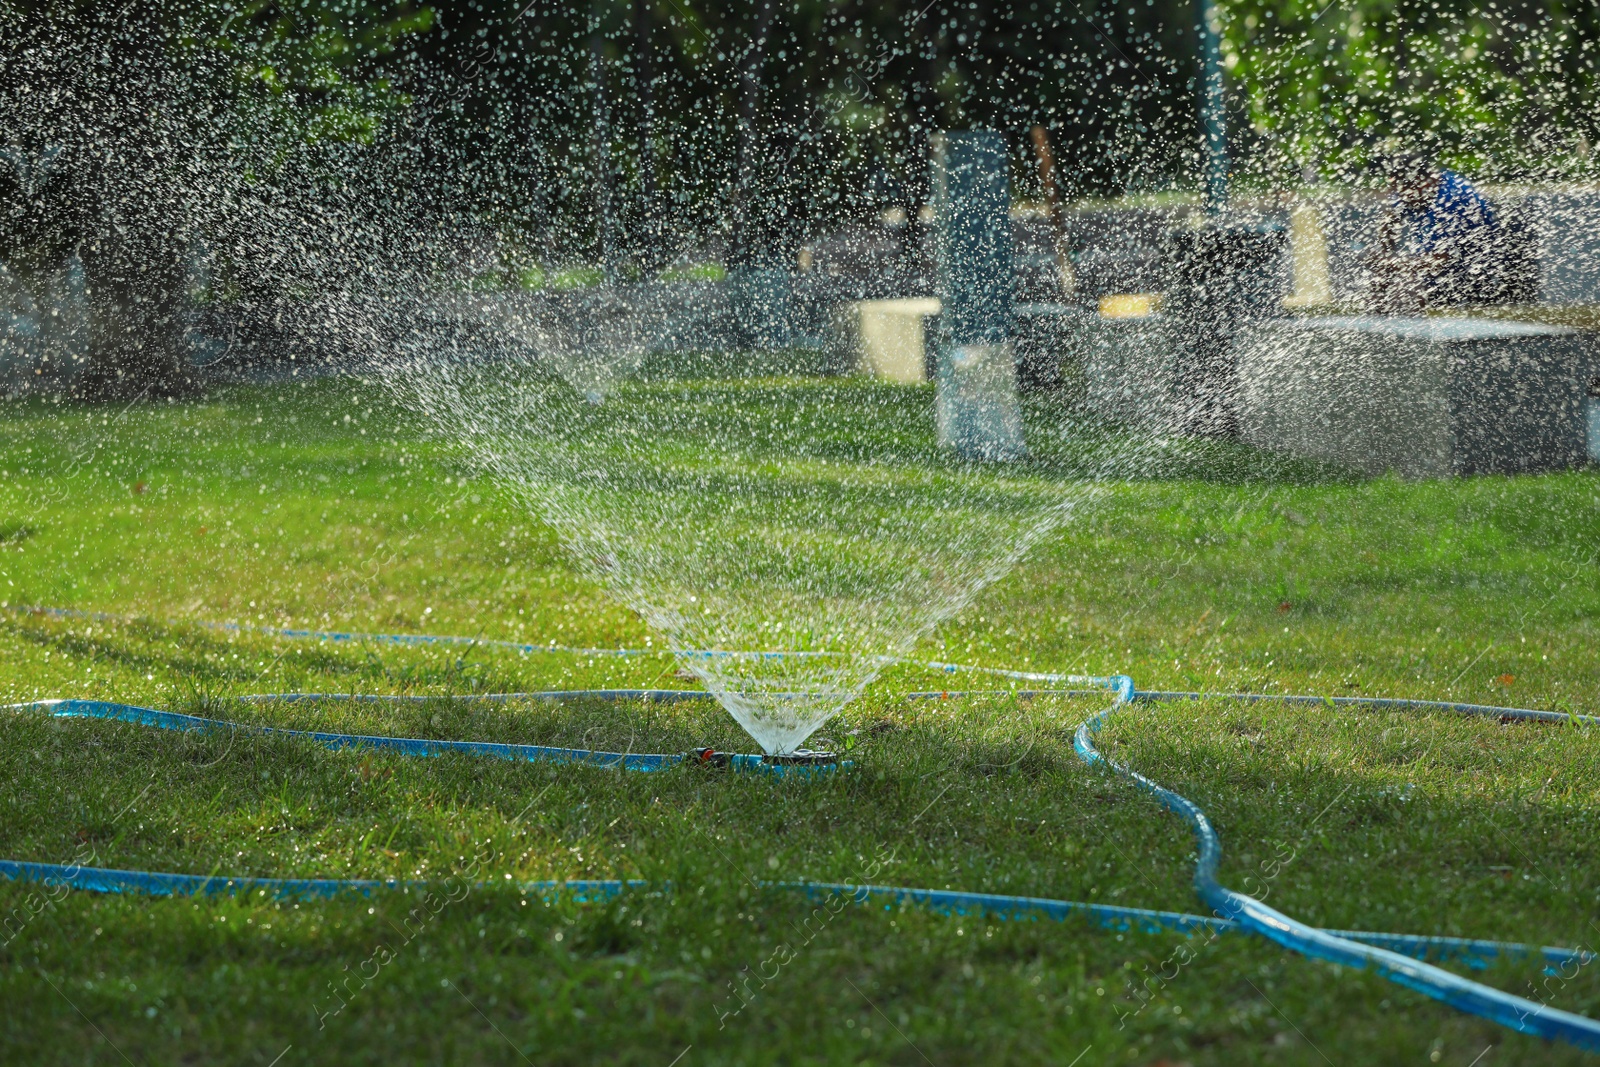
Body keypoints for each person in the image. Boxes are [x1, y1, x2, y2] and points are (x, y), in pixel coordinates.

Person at [1368, 155, 1511, 311]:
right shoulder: (1412, 187)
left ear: (1423, 183)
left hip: (1476, 284)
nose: (1399, 195)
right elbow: (1390, 221)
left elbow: (1440, 260)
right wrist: (1383, 259)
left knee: (1411, 290)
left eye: (1401, 190)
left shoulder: (1454, 198)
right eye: (1394, 189)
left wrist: (1392, 264)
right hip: (1442, 279)